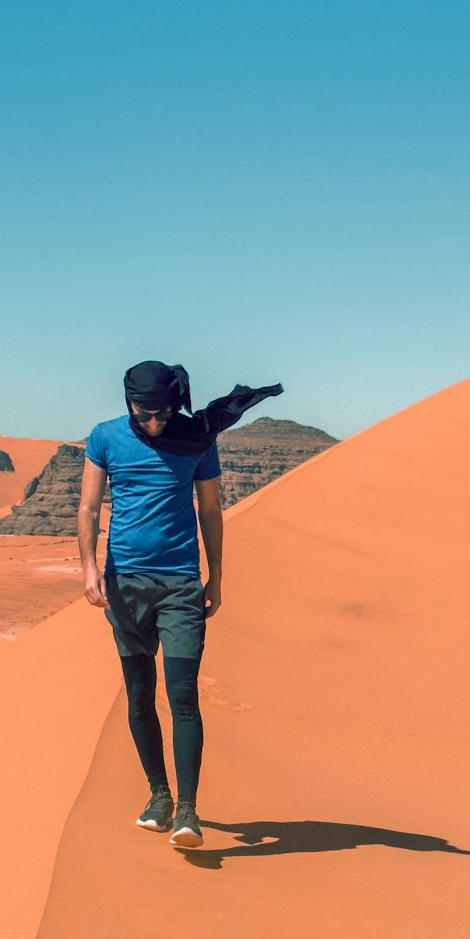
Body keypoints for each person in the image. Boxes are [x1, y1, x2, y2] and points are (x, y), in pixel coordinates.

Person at [79, 360, 282, 848]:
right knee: (139, 695)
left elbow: (210, 510)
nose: (153, 422)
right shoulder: (105, 437)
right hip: (124, 584)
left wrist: (217, 576)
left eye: (162, 413)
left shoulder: (196, 439)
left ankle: (188, 811)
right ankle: (159, 796)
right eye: (143, 413)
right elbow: (87, 507)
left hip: (181, 585)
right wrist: (88, 570)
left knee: (183, 695)